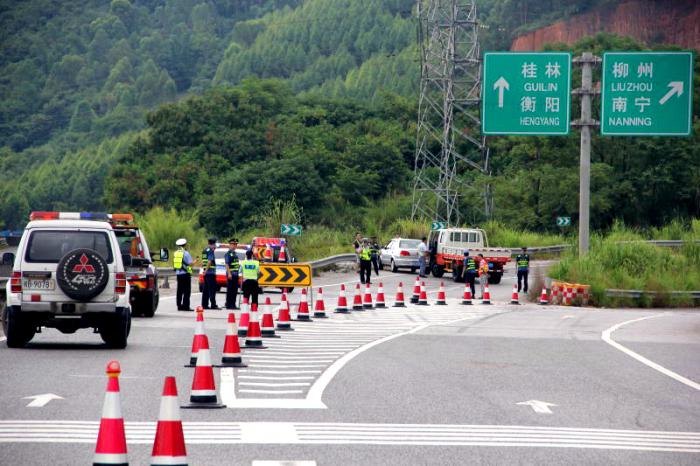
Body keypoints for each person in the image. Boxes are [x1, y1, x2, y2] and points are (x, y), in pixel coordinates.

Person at [174, 238, 194, 311]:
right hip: (185, 274)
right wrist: (194, 262)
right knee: (187, 291)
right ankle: (186, 306)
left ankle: (179, 306)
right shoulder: (186, 253)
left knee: (179, 290)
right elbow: (190, 264)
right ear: (185, 245)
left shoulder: (175, 253)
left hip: (178, 274)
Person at [201, 237, 219, 310]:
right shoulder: (211, 251)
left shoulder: (204, 250)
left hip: (206, 273)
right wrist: (206, 270)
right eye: (215, 244)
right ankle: (213, 305)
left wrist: (204, 270)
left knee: (205, 289)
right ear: (213, 244)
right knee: (212, 289)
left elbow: (203, 262)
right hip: (210, 272)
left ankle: (204, 304)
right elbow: (209, 261)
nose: (215, 246)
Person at [224, 238, 240, 310]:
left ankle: (232, 304)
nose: (235, 246)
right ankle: (229, 304)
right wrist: (229, 273)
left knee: (234, 290)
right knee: (230, 290)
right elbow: (227, 264)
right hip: (231, 274)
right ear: (230, 245)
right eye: (233, 244)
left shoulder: (235, 253)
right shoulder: (228, 254)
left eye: (235, 244)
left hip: (236, 274)